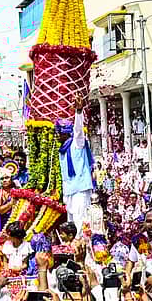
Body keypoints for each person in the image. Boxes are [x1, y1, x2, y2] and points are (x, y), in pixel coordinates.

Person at [58, 98, 95, 231]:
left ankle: (83, 244)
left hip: (80, 190)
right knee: (71, 225)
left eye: (59, 133)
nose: (57, 136)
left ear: (66, 134)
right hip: (69, 191)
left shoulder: (77, 143)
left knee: (81, 223)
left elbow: (78, 130)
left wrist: (78, 112)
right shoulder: (62, 150)